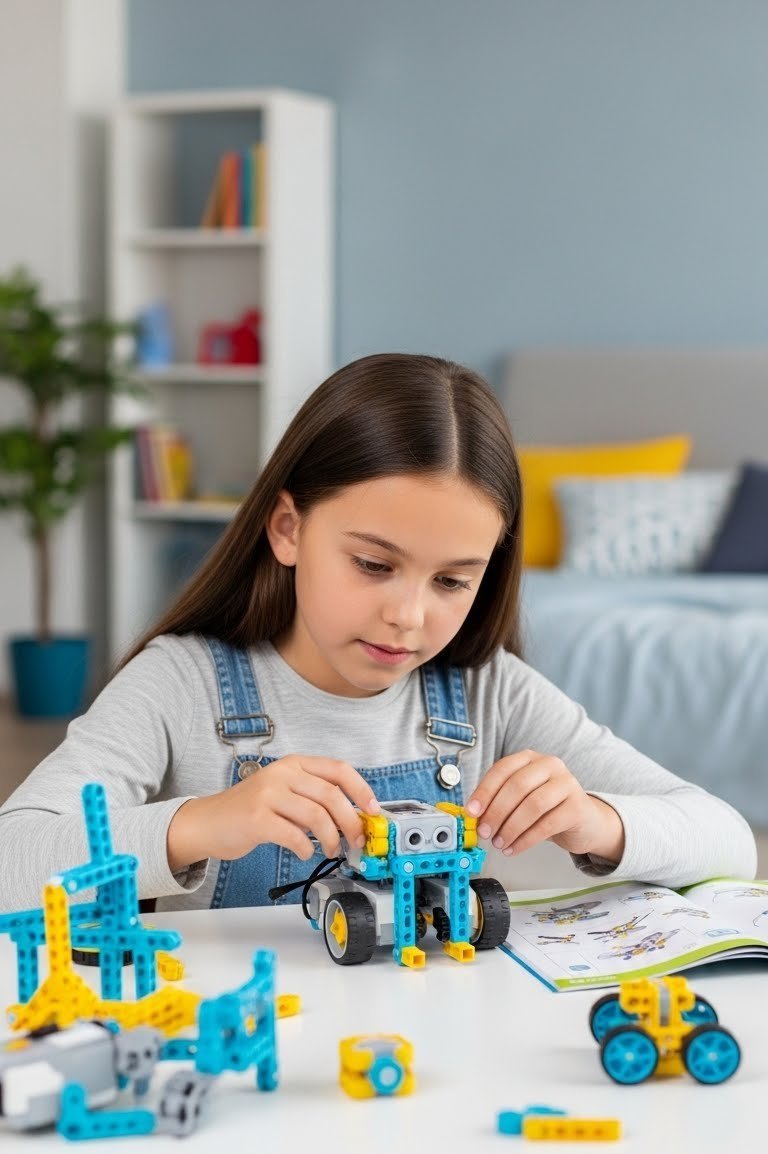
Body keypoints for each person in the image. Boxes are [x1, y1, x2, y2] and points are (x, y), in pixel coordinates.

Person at [0, 353, 756, 913]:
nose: (409, 616)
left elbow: (729, 842)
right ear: (288, 528)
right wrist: (199, 825)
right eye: (373, 564)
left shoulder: (488, 691)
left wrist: (599, 820)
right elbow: (13, 861)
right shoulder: (181, 683)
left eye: (452, 581)